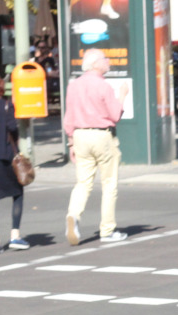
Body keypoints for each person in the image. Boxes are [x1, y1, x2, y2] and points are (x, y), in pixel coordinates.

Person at [63, 48, 129, 245]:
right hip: (101, 135)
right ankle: (107, 230)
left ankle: (73, 216)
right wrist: (123, 95)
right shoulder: (103, 86)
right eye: (104, 59)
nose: (108, 62)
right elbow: (115, 115)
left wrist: (71, 142)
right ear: (95, 64)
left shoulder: (73, 86)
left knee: (83, 182)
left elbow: (69, 116)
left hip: (80, 134)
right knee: (109, 184)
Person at [0, 75, 27, 253]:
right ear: (0, 89)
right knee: (18, 193)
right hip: (4, 157)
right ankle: (15, 236)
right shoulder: (6, 106)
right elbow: (12, 128)